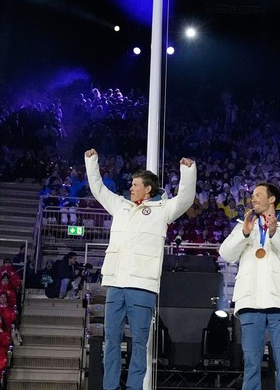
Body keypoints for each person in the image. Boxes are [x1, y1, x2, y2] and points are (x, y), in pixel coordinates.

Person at [83, 148, 197, 390]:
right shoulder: (120, 206)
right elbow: (98, 189)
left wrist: (187, 172)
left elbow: (186, 199)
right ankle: (110, 387)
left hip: (142, 286)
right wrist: (92, 161)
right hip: (115, 284)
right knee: (111, 341)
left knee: (139, 344)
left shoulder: (163, 209)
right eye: (132, 184)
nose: (131, 188)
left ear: (148, 189)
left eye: (136, 185)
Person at [218, 181, 280, 390]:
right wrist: (245, 234)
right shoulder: (244, 223)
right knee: (251, 361)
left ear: (272, 199)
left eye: (258, 194)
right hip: (250, 299)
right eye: (252, 195)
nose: (253, 198)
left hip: (279, 299)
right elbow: (226, 254)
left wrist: (276, 233)